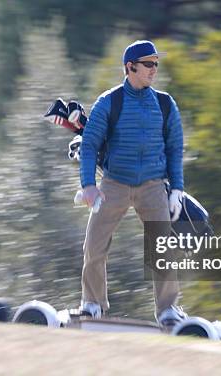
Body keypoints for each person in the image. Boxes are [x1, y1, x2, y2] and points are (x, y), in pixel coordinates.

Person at [78, 40, 187, 327]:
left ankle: (167, 310)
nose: (154, 70)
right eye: (149, 64)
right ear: (130, 67)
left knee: (162, 246)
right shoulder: (109, 102)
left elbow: (176, 147)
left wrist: (177, 188)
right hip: (113, 184)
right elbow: (89, 145)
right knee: (94, 243)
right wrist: (89, 185)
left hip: (153, 185)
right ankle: (92, 304)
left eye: (156, 64)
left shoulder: (165, 103)